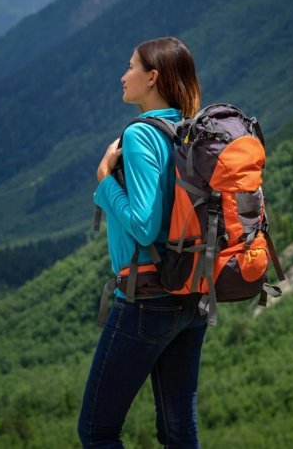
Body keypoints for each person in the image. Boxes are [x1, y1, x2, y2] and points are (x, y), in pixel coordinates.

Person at [77, 37, 206, 448]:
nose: (123, 75)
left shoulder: (139, 135)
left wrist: (103, 180)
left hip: (146, 299)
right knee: (178, 431)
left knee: (97, 432)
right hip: (193, 294)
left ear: (152, 77)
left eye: (131, 66)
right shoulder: (190, 130)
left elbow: (144, 225)